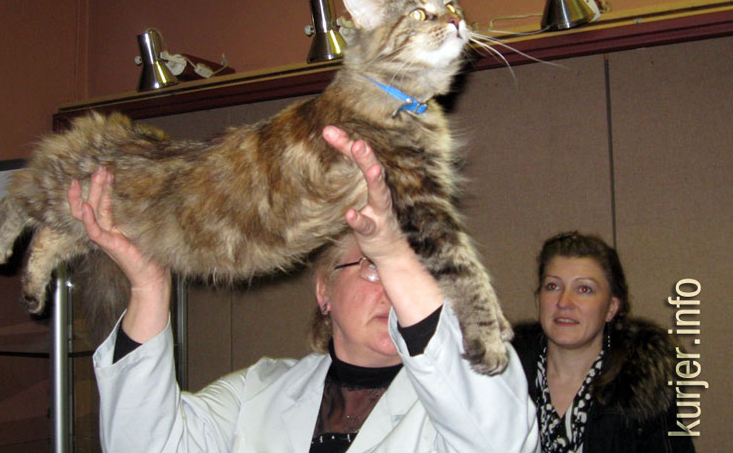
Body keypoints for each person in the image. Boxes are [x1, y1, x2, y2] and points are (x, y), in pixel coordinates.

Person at [70, 125, 539, 452]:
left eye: (407, 275)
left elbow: (501, 442)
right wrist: (149, 285)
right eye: (371, 268)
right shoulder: (257, 392)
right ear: (324, 291)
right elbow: (144, 445)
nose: (394, 294)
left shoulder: (450, 402)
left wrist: (395, 255)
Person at [512, 231, 696, 453]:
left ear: (611, 308)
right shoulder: (504, 378)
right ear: (538, 298)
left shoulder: (642, 390)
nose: (564, 302)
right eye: (553, 286)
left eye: (584, 289)